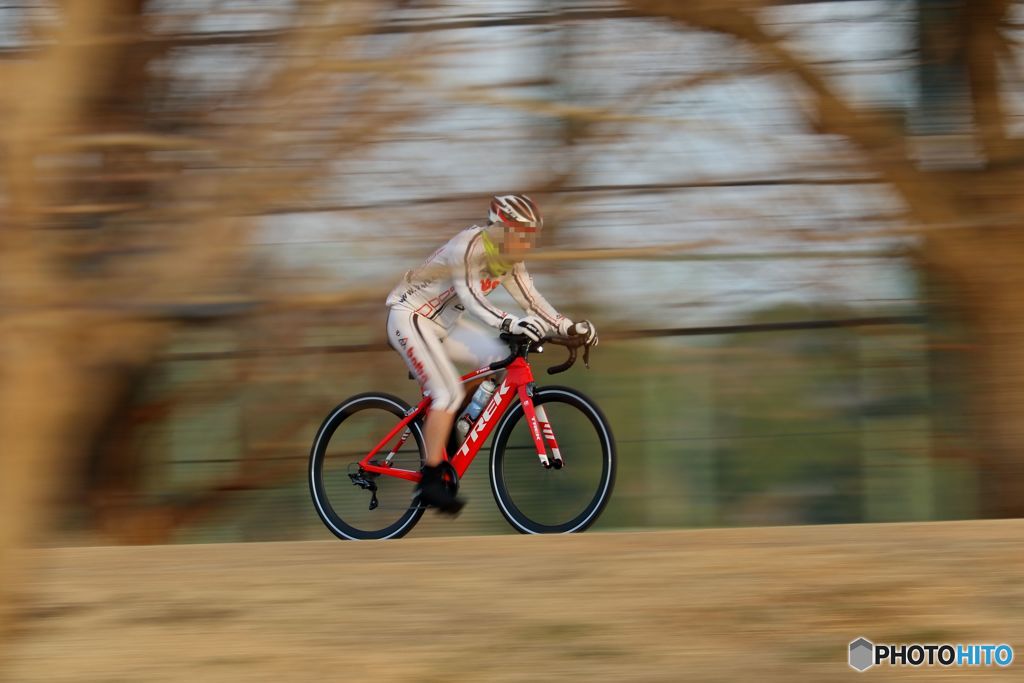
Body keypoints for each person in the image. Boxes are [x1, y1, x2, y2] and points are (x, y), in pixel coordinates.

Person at [385, 194, 598, 514]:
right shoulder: (468, 246)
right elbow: (471, 298)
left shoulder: (509, 262)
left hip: (445, 324)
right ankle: (429, 479)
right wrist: (510, 321)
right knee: (446, 393)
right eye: (522, 236)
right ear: (501, 230)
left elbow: (533, 301)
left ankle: (457, 419)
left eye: (532, 238)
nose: (528, 245)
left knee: (499, 355)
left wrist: (570, 329)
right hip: (410, 316)